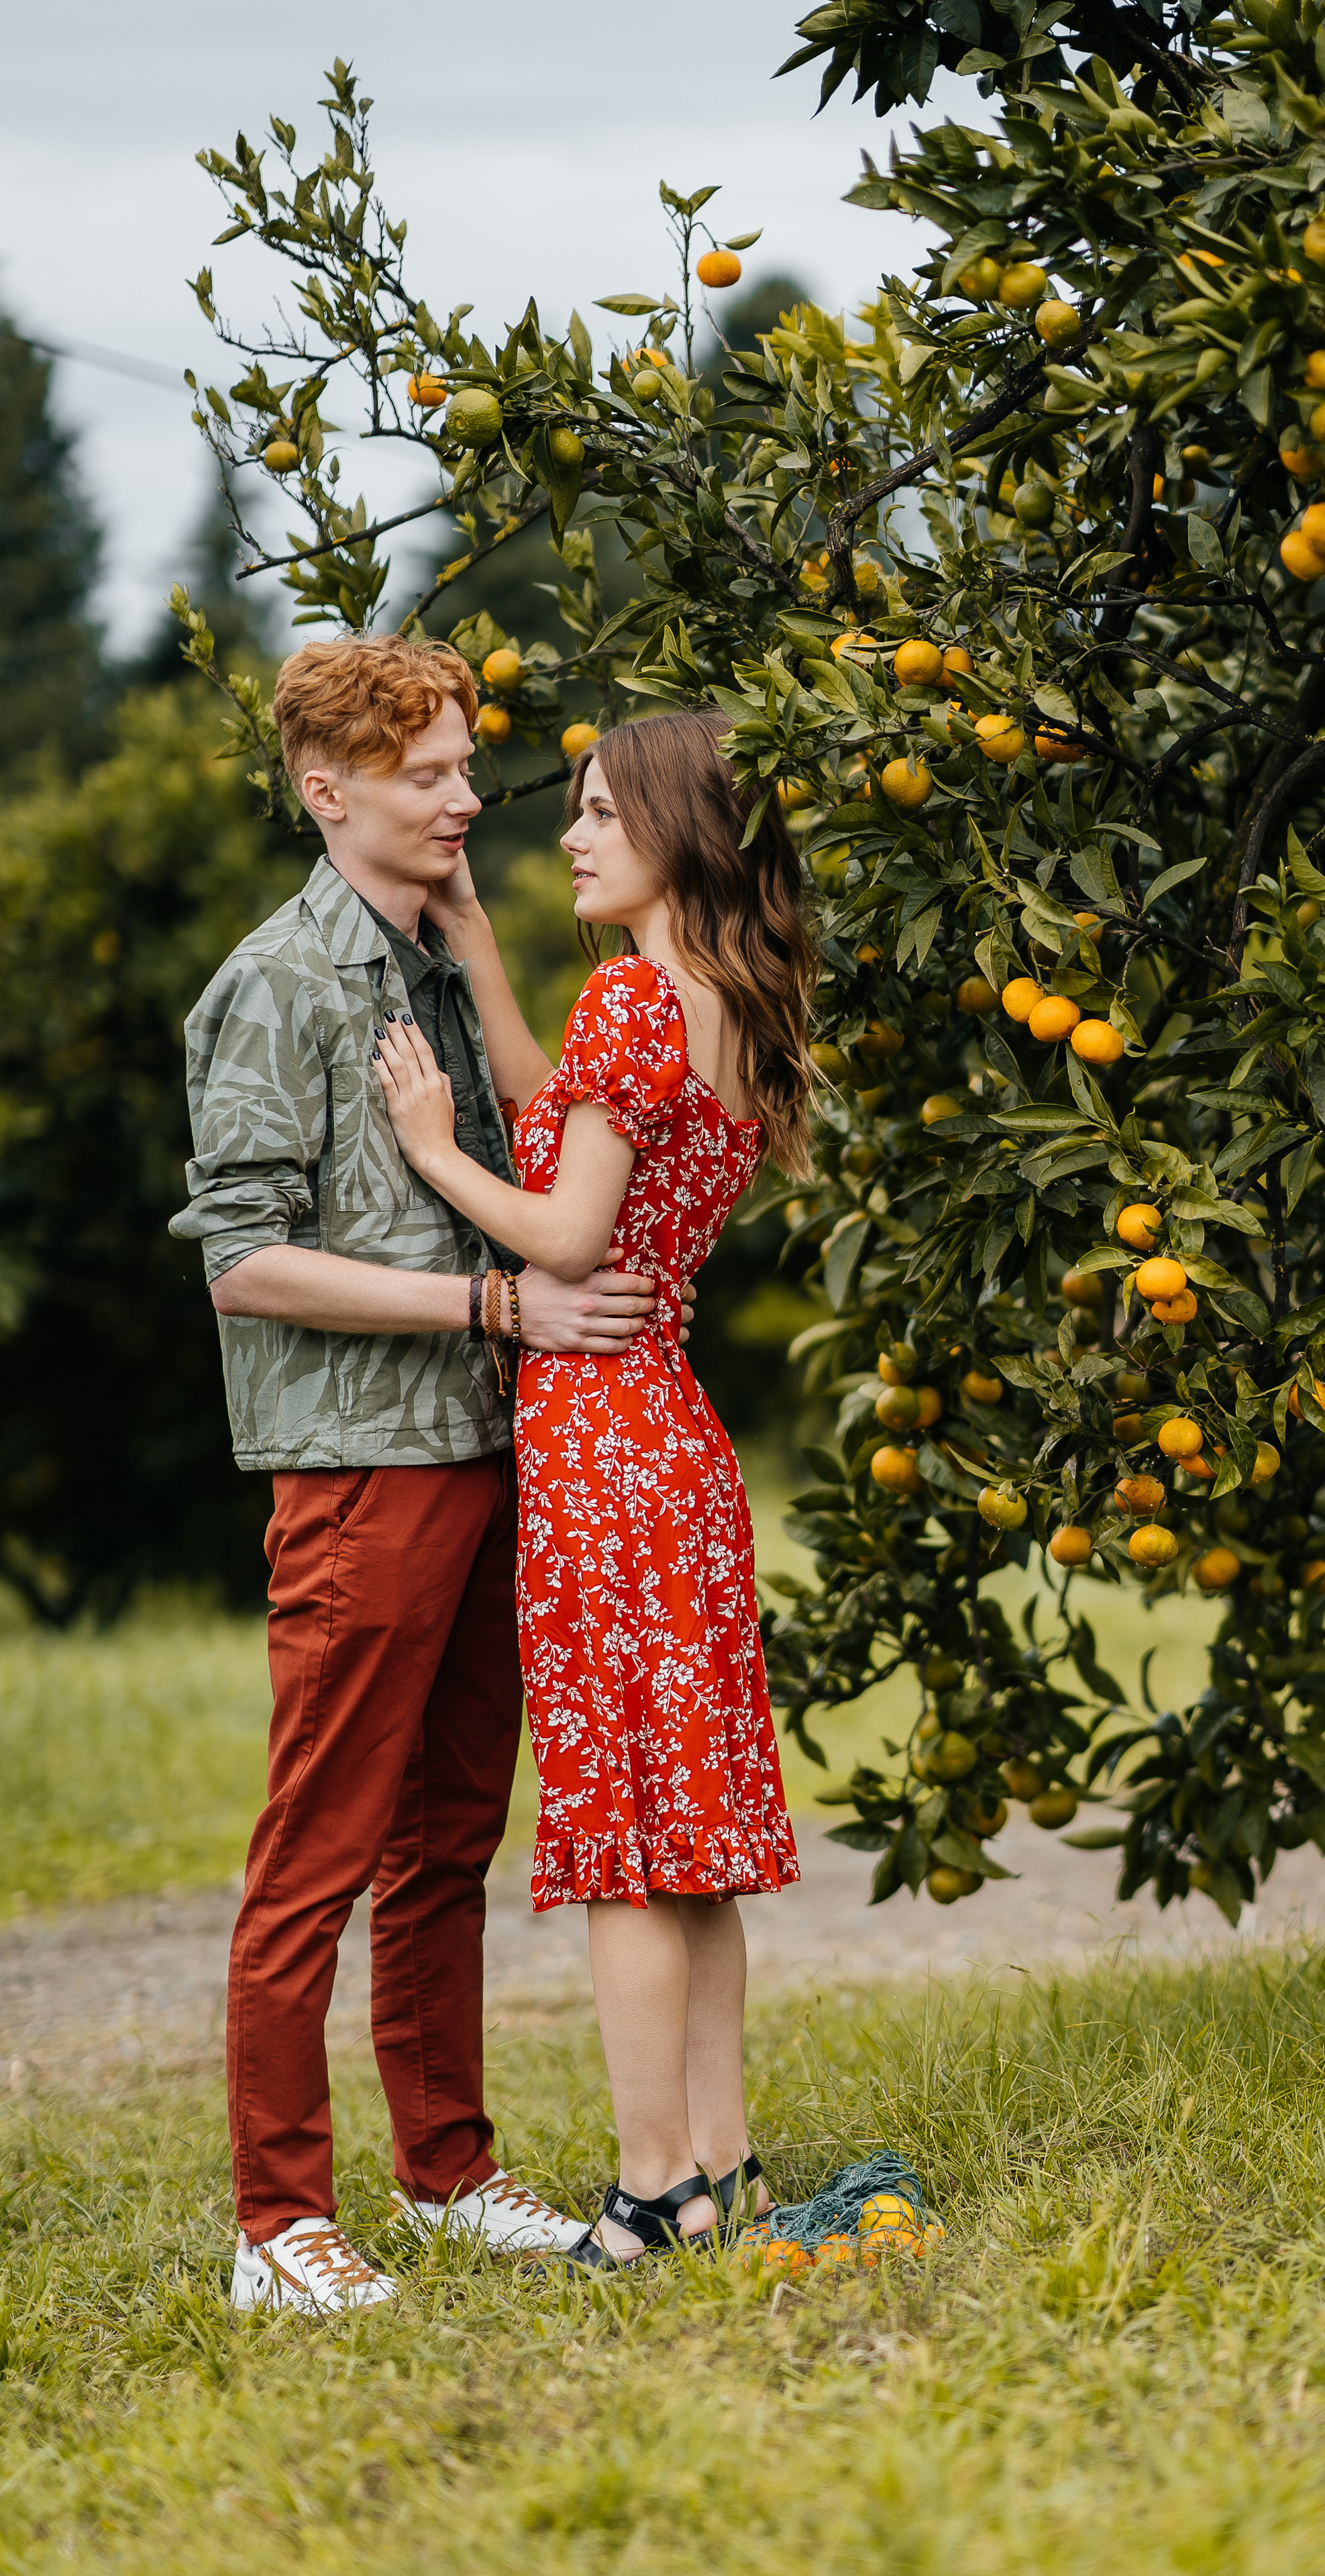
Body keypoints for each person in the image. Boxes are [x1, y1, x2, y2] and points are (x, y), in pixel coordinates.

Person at [172, 633, 686, 2314]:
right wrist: (491, 1299)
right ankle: (276, 2224)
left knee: (451, 1835)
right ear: (330, 794)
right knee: (318, 1846)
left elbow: (539, 1157)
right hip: (356, 1466)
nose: (470, 797)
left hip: (488, 1449)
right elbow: (242, 1261)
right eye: (428, 775)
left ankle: (449, 2169)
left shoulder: (436, 963)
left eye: (469, 766)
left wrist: (475, 959)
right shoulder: (276, 982)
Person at [376, 705, 813, 2265]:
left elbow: (561, 1234)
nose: (567, 835)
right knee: (686, 1838)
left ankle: (649, 2191)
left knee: (628, 1834)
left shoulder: (636, 1000)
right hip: (675, 1439)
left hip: (602, 1441)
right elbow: (573, 1121)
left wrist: (431, 1148)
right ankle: (725, 2164)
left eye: (598, 816)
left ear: (679, 833)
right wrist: (485, 942)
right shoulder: (726, 1007)